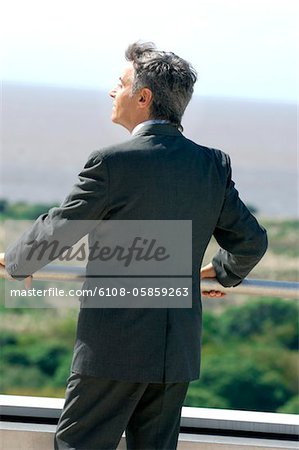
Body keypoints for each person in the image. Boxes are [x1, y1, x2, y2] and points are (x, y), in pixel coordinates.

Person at [0, 41, 267, 450]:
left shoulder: (111, 163)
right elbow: (251, 241)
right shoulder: (212, 164)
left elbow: (60, 227)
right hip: (175, 354)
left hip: (111, 351)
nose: (112, 91)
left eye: (120, 84)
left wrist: (15, 261)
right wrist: (222, 270)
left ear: (143, 97)